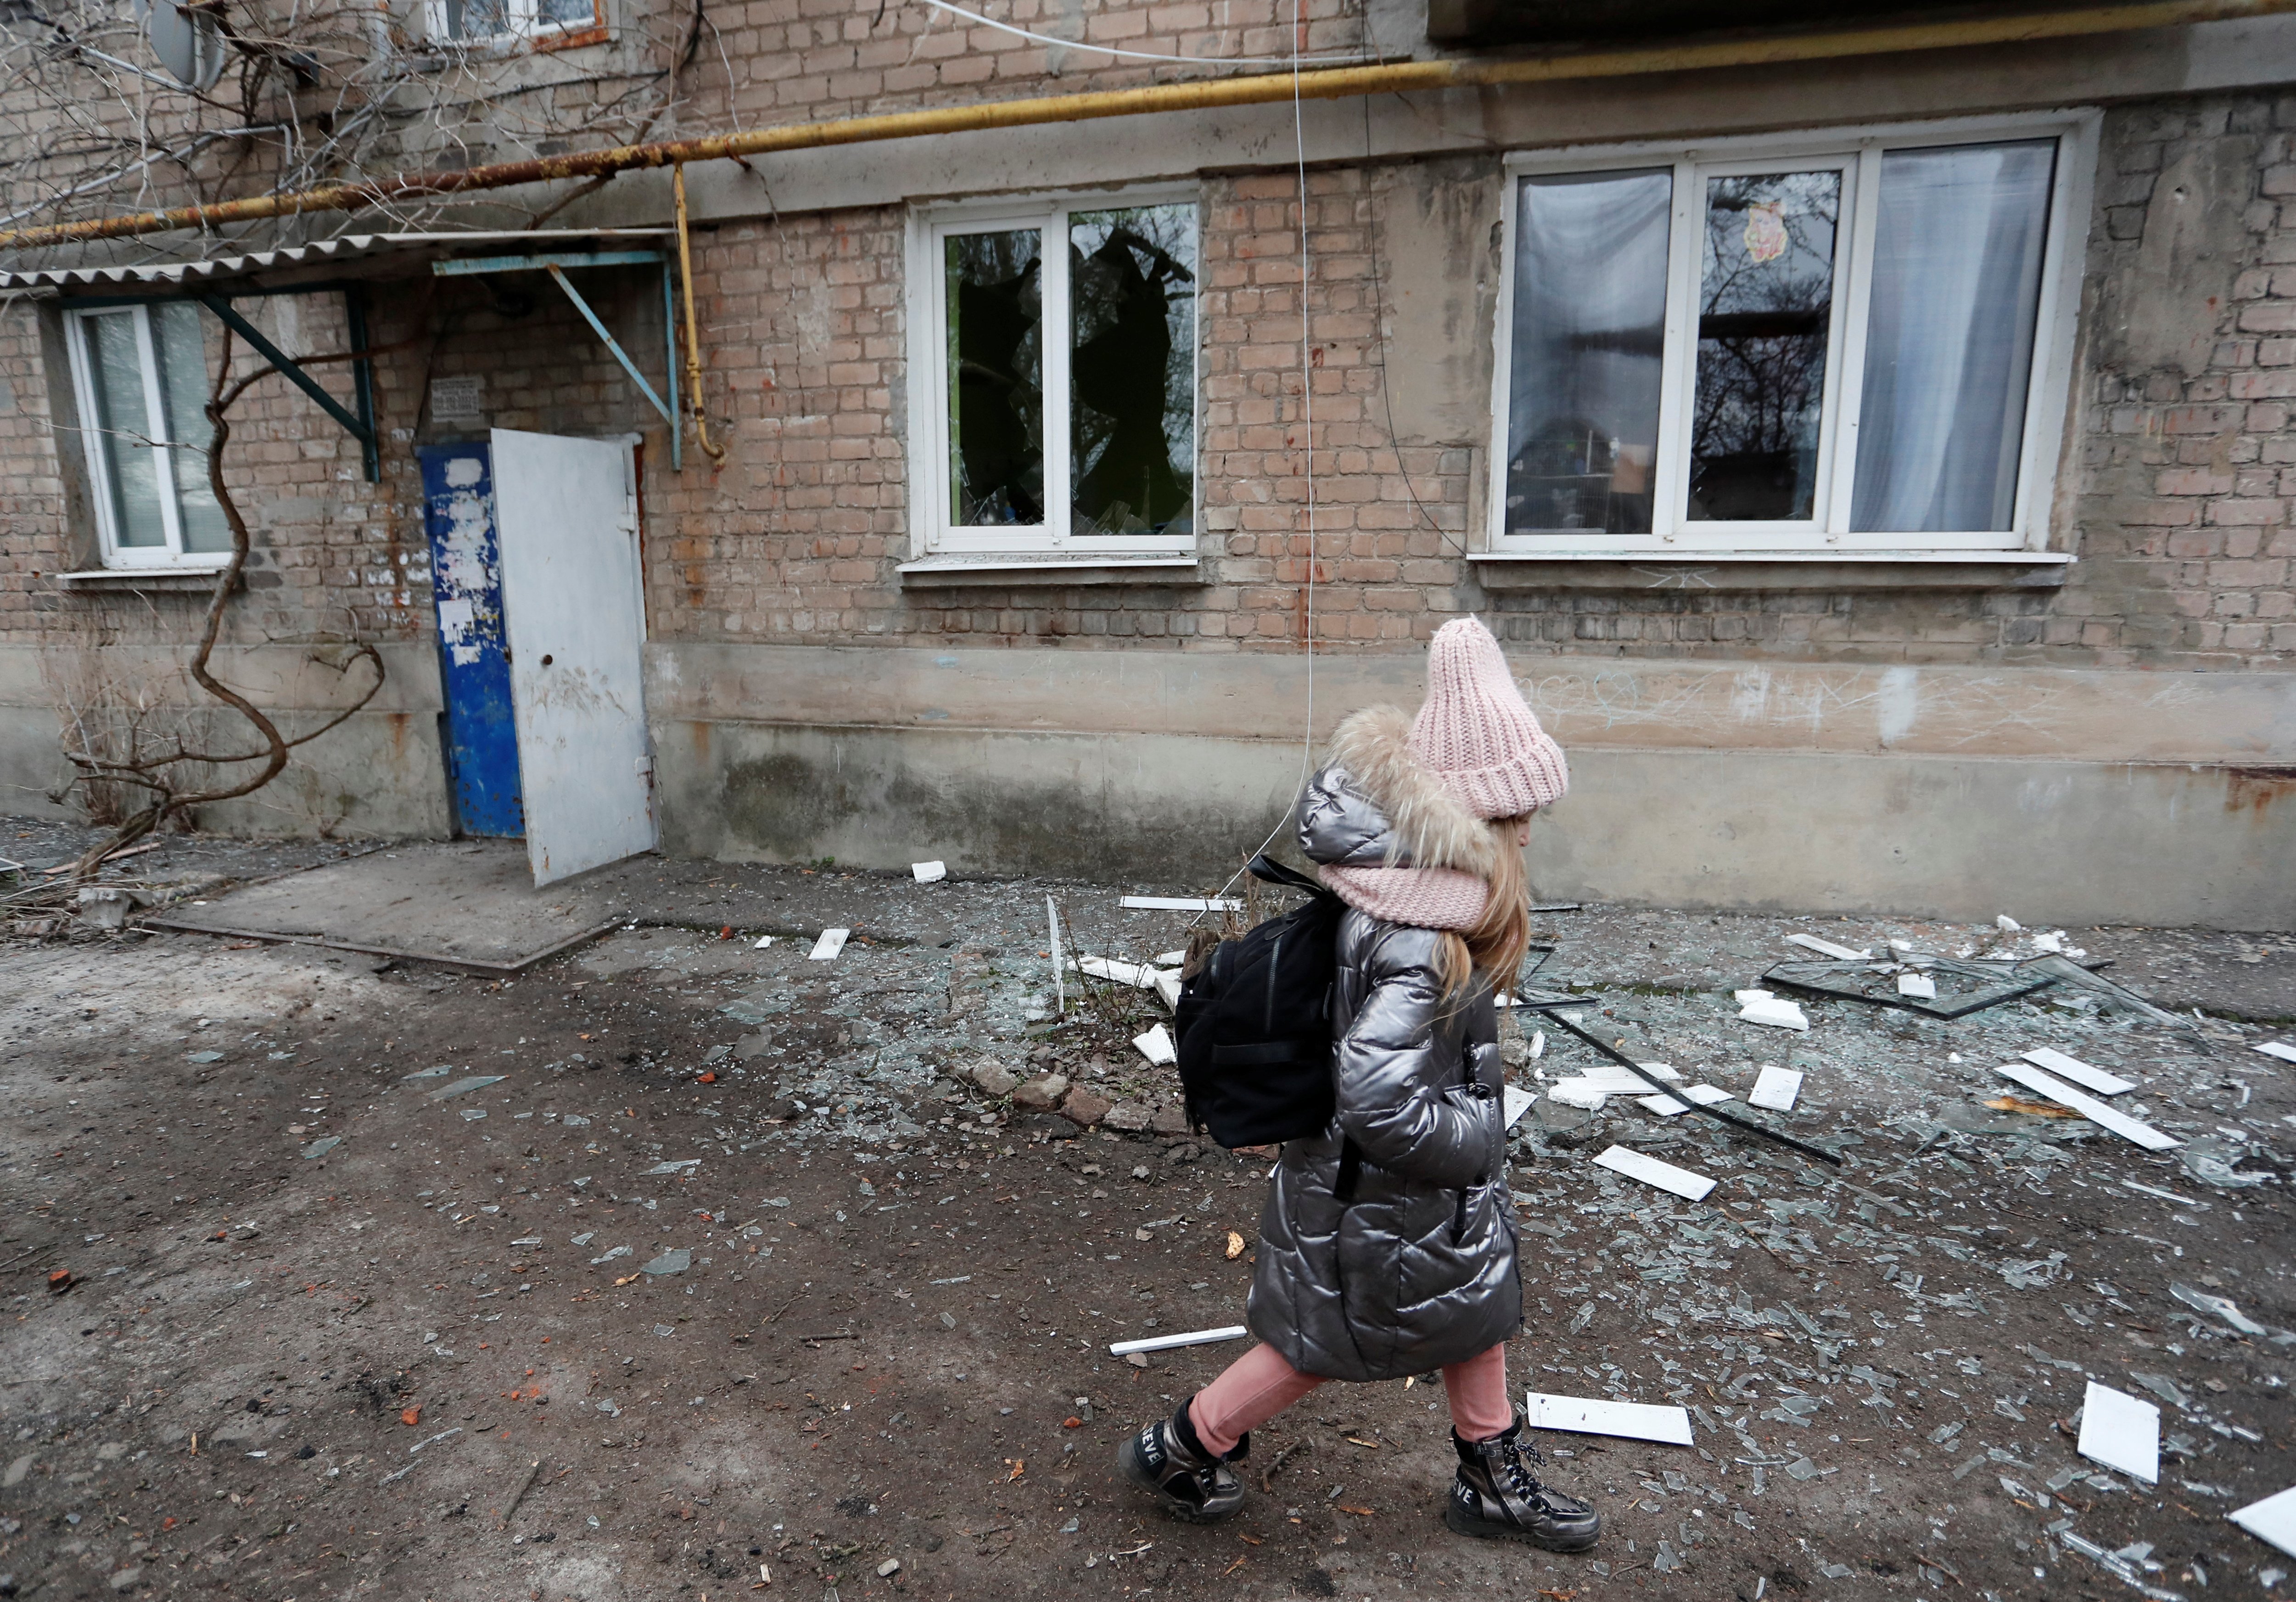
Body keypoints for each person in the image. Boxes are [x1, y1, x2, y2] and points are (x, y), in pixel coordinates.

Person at [1119, 616, 1600, 1552]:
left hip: (1396, 1196)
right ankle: (1181, 1444)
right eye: (1513, 815)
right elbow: (1376, 1091)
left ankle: (1488, 1472)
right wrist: (1474, 1141)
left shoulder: (1412, 895)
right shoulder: (1420, 931)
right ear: (1465, 819)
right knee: (1317, 1345)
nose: (1529, 830)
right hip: (1377, 1196)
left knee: (1473, 1309)